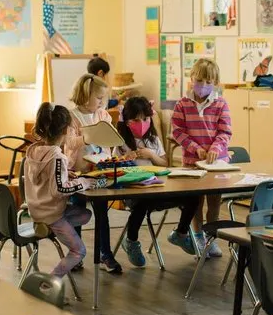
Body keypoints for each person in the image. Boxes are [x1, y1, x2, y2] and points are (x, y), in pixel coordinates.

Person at [24, 103, 106, 277]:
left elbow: (47, 179)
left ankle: (53, 229)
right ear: (65, 130)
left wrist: (65, 174)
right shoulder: (57, 156)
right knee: (79, 251)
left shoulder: (34, 151)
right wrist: (83, 182)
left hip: (37, 209)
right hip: (51, 214)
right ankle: (50, 282)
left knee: (86, 215)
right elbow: (59, 190)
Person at [115, 96, 198, 267]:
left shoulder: (153, 140)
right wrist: (125, 158)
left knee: (193, 197)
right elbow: (115, 168)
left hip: (158, 189)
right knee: (142, 203)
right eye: (136, 120)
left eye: (145, 119)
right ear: (126, 121)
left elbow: (164, 163)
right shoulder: (121, 143)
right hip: (134, 193)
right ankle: (131, 241)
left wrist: (151, 155)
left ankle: (181, 233)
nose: (142, 123)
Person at [171, 58, 232, 257]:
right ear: (192, 79)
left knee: (214, 201)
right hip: (191, 162)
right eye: (200, 80)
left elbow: (225, 132)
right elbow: (178, 132)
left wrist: (215, 147)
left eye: (208, 81)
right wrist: (195, 148)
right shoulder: (182, 104)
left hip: (217, 163)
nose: (203, 85)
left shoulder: (221, 104)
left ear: (215, 83)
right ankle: (198, 236)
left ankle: (210, 238)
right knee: (196, 201)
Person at [64, 73, 121, 273]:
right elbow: (69, 143)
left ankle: (105, 253)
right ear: (86, 95)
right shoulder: (72, 116)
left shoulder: (103, 115)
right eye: (98, 98)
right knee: (77, 213)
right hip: (78, 172)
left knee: (102, 214)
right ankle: (76, 254)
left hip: (99, 171)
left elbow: (112, 137)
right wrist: (85, 139)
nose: (101, 102)